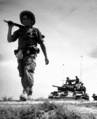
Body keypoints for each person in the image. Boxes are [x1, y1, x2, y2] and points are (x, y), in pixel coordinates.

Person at [7, 10, 49, 101]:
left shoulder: (35, 31)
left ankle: (25, 91)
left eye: (27, 19)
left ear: (31, 21)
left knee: (28, 70)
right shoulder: (19, 31)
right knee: (22, 73)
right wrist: (10, 28)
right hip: (20, 55)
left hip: (31, 54)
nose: (25, 20)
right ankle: (29, 91)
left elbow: (41, 44)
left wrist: (46, 56)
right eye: (24, 19)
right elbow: (10, 40)